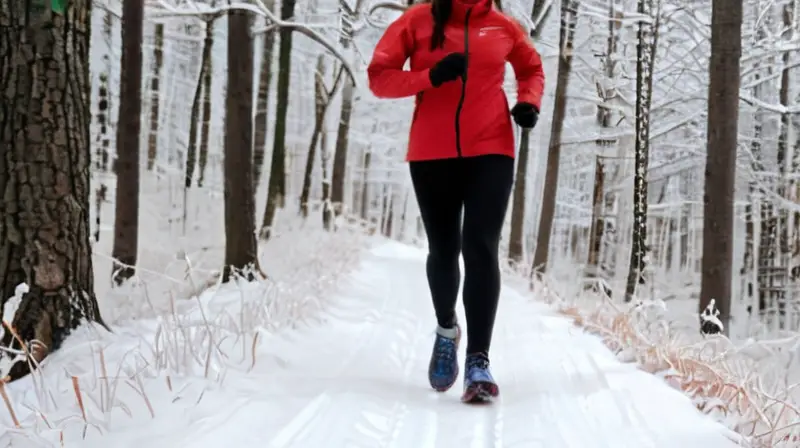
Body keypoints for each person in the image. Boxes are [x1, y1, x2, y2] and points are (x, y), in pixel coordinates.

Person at [366, 0, 545, 402]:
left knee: (480, 246)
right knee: (444, 249)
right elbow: (379, 78)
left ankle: (478, 361)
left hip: (492, 148)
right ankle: (447, 329)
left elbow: (531, 68)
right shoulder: (416, 21)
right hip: (432, 151)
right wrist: (429, 76)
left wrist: (529, 101)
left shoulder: (503, 27)